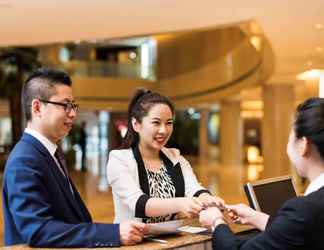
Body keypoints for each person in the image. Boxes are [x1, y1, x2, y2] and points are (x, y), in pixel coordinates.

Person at [2, 68, 147, 247]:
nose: (72, 114)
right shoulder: (24, 160)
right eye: (65, 106)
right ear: (37, 107)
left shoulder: (49, 152)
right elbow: (38, 230)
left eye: (73, 105)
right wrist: (113, 233)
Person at [199, 97, 324, 250]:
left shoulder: (303, 210)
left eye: (290, 137)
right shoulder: (306, 212)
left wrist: (216, 221)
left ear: (303, 145)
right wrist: (255, 217)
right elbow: (296, 233)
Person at [106, 89, 224, 223]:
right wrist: (182, 203)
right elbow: (140, 204)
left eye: (169, 123)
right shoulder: (119, 159)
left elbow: (194, 189)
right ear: (136, 125)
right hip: (134, 241)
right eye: (156, 122)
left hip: (171, 239)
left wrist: (207, 199)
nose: (164, 130)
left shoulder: (176, 158)